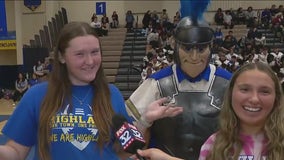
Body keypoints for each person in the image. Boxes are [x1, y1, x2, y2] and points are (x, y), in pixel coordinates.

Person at [1, 21, 144, 160]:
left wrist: (146, 121)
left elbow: (125, 151)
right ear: (62, 57)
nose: (89, 61)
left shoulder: (112, 94)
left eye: (94, 52)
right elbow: (15, 152)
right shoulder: (36, 96)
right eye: (80, 54)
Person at [125, 1, 232, 159]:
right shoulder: (156, 83)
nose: (194, 57)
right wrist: (144, 122)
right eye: (187, 48)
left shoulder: (229, 83)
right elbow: (125, 135)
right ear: (175, 46)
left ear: (210, 47)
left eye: (201, 49)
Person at [133, 62, 284, 160]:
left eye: (265, 92)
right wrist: (145, 121)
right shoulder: (214, 144)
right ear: (230, 94)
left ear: (276, 98)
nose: (254, 99)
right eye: (245, 89)